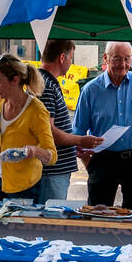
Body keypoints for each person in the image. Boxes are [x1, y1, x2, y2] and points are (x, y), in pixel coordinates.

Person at [73, 41, 132, 210]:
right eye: (117, 59)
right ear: (105, 58)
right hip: (103, 159)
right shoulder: (90, 90)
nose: (123, 64)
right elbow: (79, 131)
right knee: (98, 214)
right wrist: (89, 164)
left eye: (127, 59)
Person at [0, 54, 56, 202]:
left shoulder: (37, 110)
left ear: (15, 80)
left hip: (24, 187)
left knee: (17, 226)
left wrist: (34, 150)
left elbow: (51, 156)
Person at [38, 38, 103, 203]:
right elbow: (49, 131)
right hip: (52, 172)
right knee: (50, 220)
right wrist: (81, 140)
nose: (70, 63)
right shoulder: (46, 86)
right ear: (62, 58)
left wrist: (74, 143)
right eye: (71, 58)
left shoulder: (46, 82)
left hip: (53, 170)